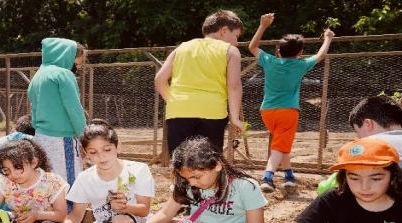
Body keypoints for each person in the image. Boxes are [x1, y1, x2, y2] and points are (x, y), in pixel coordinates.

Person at [140, 137, 267, 223]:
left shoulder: (245, 187)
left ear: (217, 165)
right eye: (186, 178)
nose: (192, 183)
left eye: (196, 177)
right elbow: (166, 213)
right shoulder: (187, 184)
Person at [249, 14, 335, 192]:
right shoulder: (301, 64)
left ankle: (288, 175)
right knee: (280, 145)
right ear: (300, 52)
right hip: (288, 111)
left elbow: (252, 46)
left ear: (279, 51)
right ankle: (267, 177)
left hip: (267, 111)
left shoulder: (270, 61)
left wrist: (263, 26)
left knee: (282, 144)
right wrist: (328, 38)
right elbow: (321, 54)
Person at [50, 120, 155, 223]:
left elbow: (144, 210)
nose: (101, 156)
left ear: (118, 146)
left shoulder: (137, 170)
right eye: (93, 152)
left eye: (107, 150)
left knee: (120, 222)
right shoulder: (85, 178)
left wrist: (124, 207)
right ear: (85, 153)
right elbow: (76, 214)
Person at [154, 10, 245, 155]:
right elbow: (234, 86)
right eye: (236, 36)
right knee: (209, 163)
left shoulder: (181, 48)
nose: (236, 42)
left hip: (179, 110)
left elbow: (159, 80)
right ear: (224, 30)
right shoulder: (231, 51)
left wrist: (173, 100)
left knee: (180, 162)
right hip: (212, 112)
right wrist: (234, 118)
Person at [28, 38, 87, 188]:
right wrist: (84, 136)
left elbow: (34, 112)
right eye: (77, 61)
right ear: (66, 56)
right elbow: (74, 109)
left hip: (40, 137)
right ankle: (69, 209)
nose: (77, 66)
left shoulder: (37, 77)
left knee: (47, 178)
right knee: (68, 179)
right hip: (62, 138)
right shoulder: (63, 74)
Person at [318, 96, 402, 195]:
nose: (358, 138)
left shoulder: (366, 146)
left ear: (368, 123)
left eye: (357, 131)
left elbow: (331, 187)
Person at [0, 139, 68, 223]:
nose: (13, 175)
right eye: (7, 170)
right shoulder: (6, 181)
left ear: (33, 163)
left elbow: (61, 215)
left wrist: (37, 215)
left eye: (18, 168)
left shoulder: (52, 182)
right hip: (15, 222)